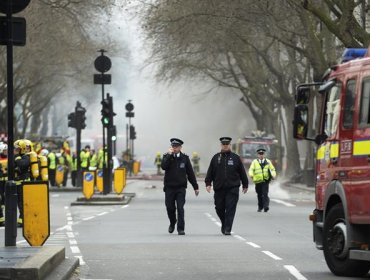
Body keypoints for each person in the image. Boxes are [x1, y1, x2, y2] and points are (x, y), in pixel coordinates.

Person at [205, 137, 249, 235]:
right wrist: (208, 183)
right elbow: (210, 172)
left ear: (230, 145)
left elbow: (242, 172)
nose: (225, 146)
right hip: (219, 187)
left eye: (227, 144)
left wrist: (245, 184)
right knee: (219, 207)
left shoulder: (235, 158)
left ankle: (227, 228)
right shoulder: (215, 158)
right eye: (223, 144)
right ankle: (224, 223)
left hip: (233, 188)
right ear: (221, 145)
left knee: (230, 208)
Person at [161, 138, 199, 235]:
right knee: (170, 207)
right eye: (173, 146)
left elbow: (190, 173)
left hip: (180, 188)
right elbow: (163, 166)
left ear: (180, 147)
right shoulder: (166, 156)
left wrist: (195, 186)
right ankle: (172, 222)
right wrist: (169, 155)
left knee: (180, 208)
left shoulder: (185, 158)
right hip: (169, 187)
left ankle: (180, 228)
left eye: (176, 146)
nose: (175, 148)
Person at [248, 147, 276, 212]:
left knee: (265, 193)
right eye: (260, 154)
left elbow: (272, 169)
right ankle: (260, 206)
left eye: (262, 154)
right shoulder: (254, 162)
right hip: (258, 181)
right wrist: (251, 175)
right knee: (259, 194)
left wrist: (273, 175)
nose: (261, 155)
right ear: (258, 155)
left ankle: (266, 206)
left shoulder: (268, 162)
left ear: (264, 154)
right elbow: (251, 169)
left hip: (265, 181)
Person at [14, 139, 31, 227]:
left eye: (17, 149)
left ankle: (22, 220)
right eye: (15, 149)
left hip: (24, 183)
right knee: (18, 202)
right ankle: (21, 219)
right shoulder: (16, 157)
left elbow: (22, 165)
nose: (15, 151)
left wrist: (17, 158)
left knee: (22, 202)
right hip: (17, 183)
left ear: (22, 149)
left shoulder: (26, 157)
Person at [0, 142, 8, 226]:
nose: (6, 152)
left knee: (6, 197)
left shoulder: (10, 158)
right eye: (5, 150)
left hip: (7, 181)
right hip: (0, 181)